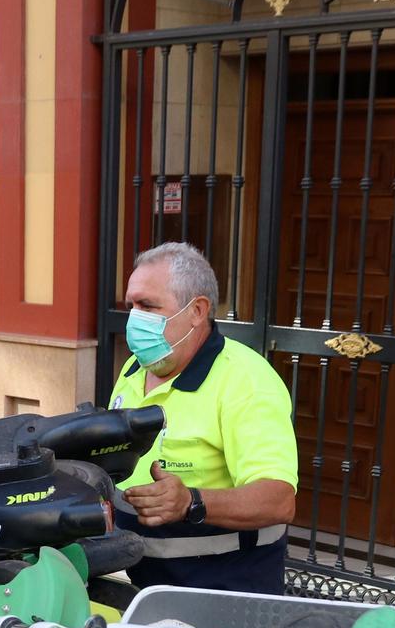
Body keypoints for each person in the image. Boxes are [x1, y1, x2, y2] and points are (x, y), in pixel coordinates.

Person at [108, 242, 299, 594]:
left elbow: (279, 499)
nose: (135, 319)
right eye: (131, 306)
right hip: (141, 582)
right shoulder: (137, 367)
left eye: (148, 306)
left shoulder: (246, 381)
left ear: (197, 310)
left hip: (220, 591)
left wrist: (192, 502)